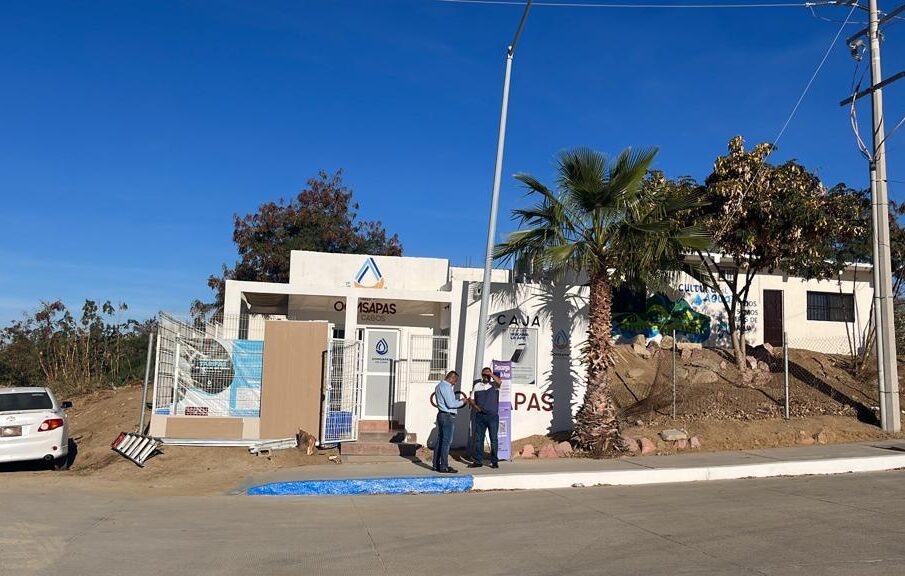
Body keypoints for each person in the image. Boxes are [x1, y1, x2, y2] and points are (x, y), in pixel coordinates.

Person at [433, 370, 473, 473]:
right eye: (455, 380)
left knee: (440, 440)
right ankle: (444, 466)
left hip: (442, 414)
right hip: (447, 416)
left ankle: (436, 464)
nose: (455, 383)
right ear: (451, 378)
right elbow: (451, 404)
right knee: (446, 442)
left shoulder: (439, 386)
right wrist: (463, 401)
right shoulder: (446, 387)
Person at [468, 367, 502, 469]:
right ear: (482, 375)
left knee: (494, 439)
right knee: (479, 439)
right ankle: (478, 461)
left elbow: (499, 382)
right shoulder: (477, 385)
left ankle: (494, 461)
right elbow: (471, 399)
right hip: (480, 416)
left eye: (487, 375)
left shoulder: (494, 385)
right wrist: (475, 406)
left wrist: (491, 374)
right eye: (484, 374)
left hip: (492, 416)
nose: (486, 376)